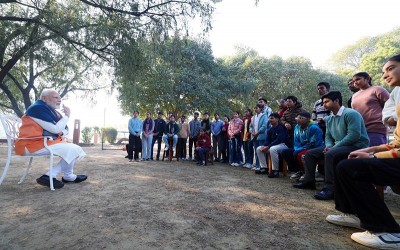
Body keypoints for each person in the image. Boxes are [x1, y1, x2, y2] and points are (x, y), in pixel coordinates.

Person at [326, 54, 400, 249]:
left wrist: (373, 154)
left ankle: (388, 232)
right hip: (386, 147)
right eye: (384, 71)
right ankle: (353, 212)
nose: (385, 75)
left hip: (376, 132)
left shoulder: (379, 91)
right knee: (344, 161)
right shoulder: (393, 94)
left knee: (350, 167)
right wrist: (372, 149)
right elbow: (398, 143)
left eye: (390, 68)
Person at [293, 91, 369, 200]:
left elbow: (354, 135)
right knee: (310, 153)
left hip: (356, 145)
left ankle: (330, 188)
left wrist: (333, 148)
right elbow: (328, 136)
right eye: (323, 102)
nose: (324, 105)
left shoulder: (351, 114)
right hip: (338, 146)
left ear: (337, 101)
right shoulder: (329, 118)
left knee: (330, 154)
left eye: (327, 102)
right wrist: (329, 145)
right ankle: (309, 181)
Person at [15, 89, 86, 189]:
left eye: (60, 98)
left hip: (43, 141)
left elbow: (65, 129)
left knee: (74, 148)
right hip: (30, 144)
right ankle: (51, 176)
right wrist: (67, 116)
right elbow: (56, 129)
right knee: (73, 149)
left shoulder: (52, 112)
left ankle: (66, 176)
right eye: (56, 97)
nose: (59, 100)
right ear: (44, 98)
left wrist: (61, 129)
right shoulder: (37, 109)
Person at [281, 111, 324, 180]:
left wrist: (300, 149)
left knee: (300, 154)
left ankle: (306, 173)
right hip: (301, 147)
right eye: (297, 118)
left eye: (301, 118)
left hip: (314, 147)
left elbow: (313, 143)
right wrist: (297, 148)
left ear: (308, 119)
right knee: (286, 152)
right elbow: (296, 140)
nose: (298, 120)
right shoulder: (297, 127)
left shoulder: (314, 128)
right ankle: (297, 171)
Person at [351, 72, 390, 146]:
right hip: (360, 130)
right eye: (353, 81)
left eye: (358, 79)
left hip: (376, 129)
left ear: (367, 79)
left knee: (374, 154)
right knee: (362, 155)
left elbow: (390, 106)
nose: (355, 82)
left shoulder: (377, 90)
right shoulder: (354, 96)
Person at [255, 113, 291, 177]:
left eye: (272, 118)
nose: (270, 120)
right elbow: (267, 140)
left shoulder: (281, 128)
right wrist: (264, 145)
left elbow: (279, 140)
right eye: (269, 118)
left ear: (277, 119)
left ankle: (275, 171)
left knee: (272, 149)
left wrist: (268, 146)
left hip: (284, 145)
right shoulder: (270, 130)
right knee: (259, 149)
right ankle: (264, 168)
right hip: (274, 145)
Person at [249, 104, 268, 170]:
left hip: (261, 136)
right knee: (256, 151)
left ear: (260, 109)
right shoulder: (253, 117)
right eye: (254, 108)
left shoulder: (264, 116)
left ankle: (262, 166)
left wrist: (258, 132)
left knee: (262, 151)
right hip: (254, 136)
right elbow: (250, 126)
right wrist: (252, 132)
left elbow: (264, 126)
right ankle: (257, 165)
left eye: (256, 108)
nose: (255, 109)